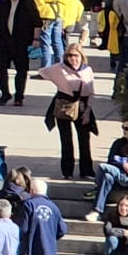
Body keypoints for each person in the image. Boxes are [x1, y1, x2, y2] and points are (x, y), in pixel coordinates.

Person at [39, 42, 97, 180]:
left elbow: (91, 92)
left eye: (76, 55)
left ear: (81, 56)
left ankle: (86, 170)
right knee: (66, 140)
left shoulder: (87, 70)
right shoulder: (59, 68)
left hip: (82, 105)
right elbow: (42, 72)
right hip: (63, 105)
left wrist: (88, 111)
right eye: (69, 55)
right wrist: (58, 84)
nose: (73, 58)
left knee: (84, 139)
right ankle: (67, 171)